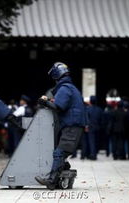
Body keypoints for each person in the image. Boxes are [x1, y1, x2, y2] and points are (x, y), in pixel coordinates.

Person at [35, 62, 86, 190]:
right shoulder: (70, 87)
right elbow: (61, 102)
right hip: (73, 125)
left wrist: (45, 102)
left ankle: (51, 181)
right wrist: (51, 101)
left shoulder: (65, 87)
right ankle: (61, 173)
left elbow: (59, 106)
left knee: (59, 152)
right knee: (61, 152)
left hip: (71, 126)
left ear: (56, 75)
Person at [86, 96, 103, 160]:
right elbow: (102, 119)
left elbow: (87, 119)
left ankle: (93, 155)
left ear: (90, 101)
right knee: (96, 141)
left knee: (91, 142)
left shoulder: (87, 109)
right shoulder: (100, 109)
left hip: (91, 127)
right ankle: (95, 153)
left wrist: (86, 126)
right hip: (98, 127)